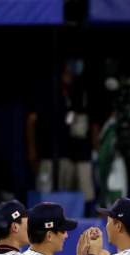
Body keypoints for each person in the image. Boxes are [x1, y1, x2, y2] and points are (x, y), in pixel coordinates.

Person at [26, 59, 96, 208]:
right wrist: (32, 152)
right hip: (47, 154)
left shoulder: (78, 90)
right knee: (45, 197)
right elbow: (32, 120)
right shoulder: (48, 88)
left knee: (67, 199)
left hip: (69, 155)